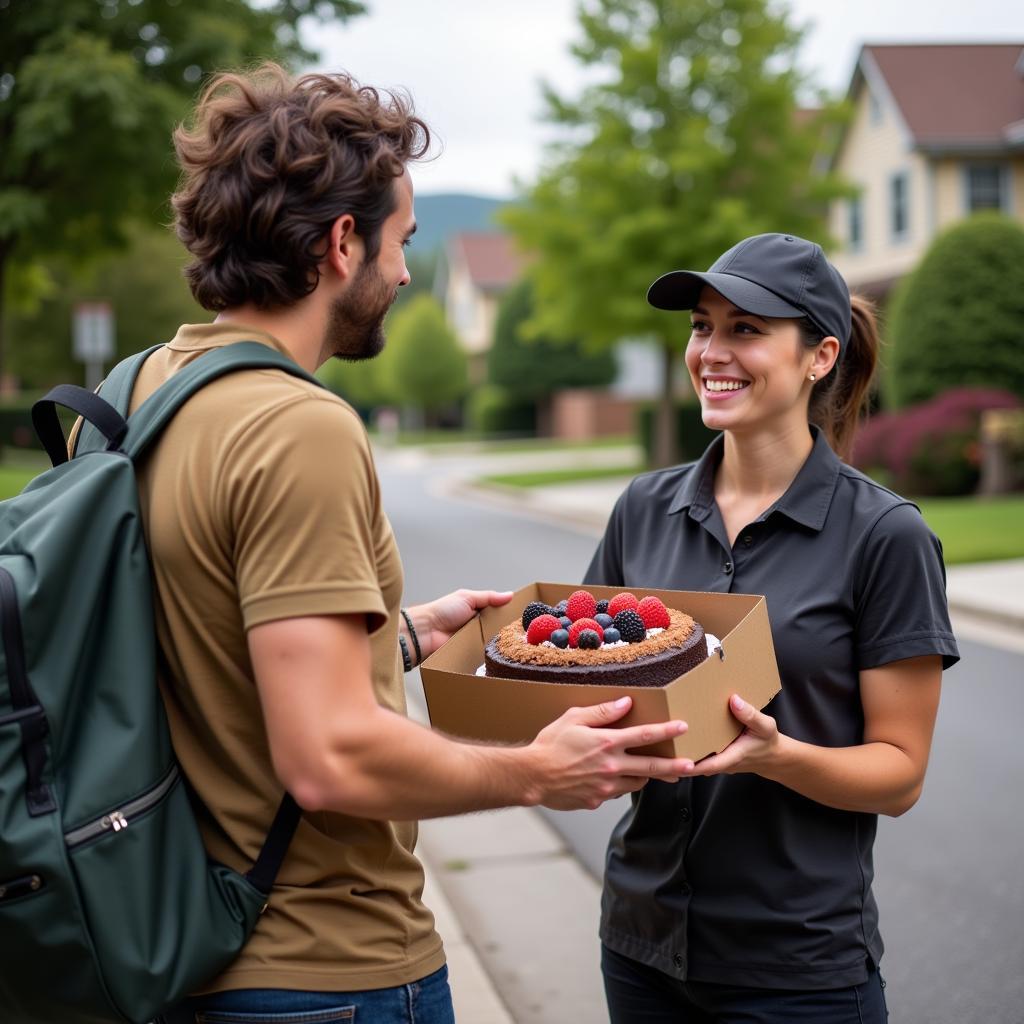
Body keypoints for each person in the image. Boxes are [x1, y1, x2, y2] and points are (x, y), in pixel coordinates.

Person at [121, 64, 693, 1024]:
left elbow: (194, 644)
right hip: (325, 967)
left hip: (176, 938)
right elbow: (331, 758)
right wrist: (533, 772)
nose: (401, 273)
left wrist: (400, 638)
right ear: (343, 242)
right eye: (402, 244)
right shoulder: (299, 426)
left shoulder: (142, 388)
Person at [584, 233, 960, 1023]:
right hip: (640, 945)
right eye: (700, 325)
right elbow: (591, 690)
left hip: (796, 969)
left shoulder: (884, 536)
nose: (712, 352)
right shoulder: (642, 510)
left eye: (746, 329)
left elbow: (900, 775)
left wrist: (776, 755)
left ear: (819, 356)